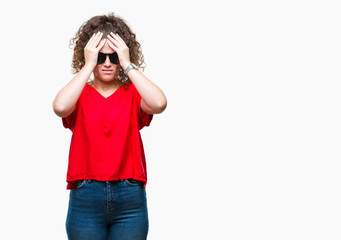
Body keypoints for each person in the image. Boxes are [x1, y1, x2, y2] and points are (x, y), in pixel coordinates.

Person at [52, 12, 167, 240]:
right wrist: (88, 65)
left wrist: (126, 63)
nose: (107, 63)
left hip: (129, 196)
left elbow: (159, 103)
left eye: (113, 57)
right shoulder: (80, 94)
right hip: (85, 196)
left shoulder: (133, 93)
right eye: (100, 57)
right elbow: (60, 107)